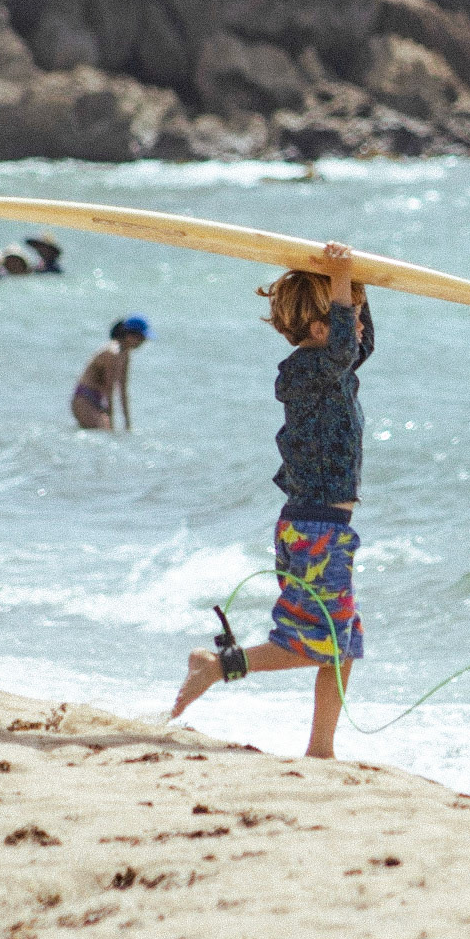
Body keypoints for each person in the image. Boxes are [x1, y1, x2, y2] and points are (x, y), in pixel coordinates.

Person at [170, 244, 373, 758]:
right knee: (313, 644)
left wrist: (355, 286)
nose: (359, 330)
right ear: (322, 330)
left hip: (316, 527)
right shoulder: (313, 371)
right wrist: (341, 276)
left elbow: (356, 344)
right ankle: (217, 666)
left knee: (342, 642)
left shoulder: (328, 370)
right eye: (349, 319)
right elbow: (347, 344)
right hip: (317, 530)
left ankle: (321, 748)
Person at [71, 318, 151, 431]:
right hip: (84, 399)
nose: (143, 342)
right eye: (142, 338)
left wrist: (128, 424)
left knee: (105, 432)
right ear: (130, 335)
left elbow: (123, 390)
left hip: (98, 401)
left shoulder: (125, 354)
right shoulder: (112, 353)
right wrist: (112, 421)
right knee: (103, 431)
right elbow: (110, 389)